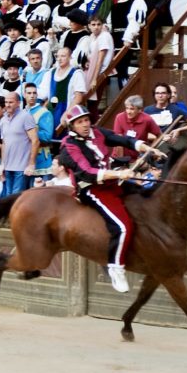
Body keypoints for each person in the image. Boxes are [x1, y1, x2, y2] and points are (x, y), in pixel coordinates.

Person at [58, 105, 163, 293]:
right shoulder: (69, 146)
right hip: (90, 188)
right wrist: (118, 174)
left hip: (112, 182)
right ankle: (115, 267)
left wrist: (146, 148)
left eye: (87, 120)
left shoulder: (97, 132)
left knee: (147, 194)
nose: (85, 125)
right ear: (72, 126)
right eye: (80, 122)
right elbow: (87, 172)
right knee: (122, 226)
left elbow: (123, 139)